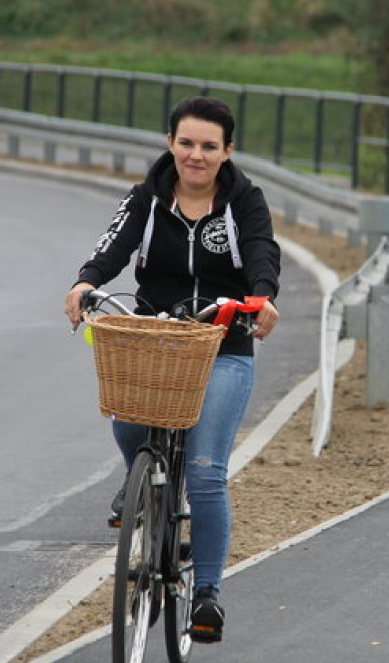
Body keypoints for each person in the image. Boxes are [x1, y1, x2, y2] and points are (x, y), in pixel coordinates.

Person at [63, 96, 281, 643]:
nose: (196, 155)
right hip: (157, 338)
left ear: (227, 151)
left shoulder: (244, 202)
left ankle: (206, 593)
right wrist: (86, 280)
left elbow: (261, 252)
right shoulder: (147, 198)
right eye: (186, 143)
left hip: (223, 342)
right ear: (170, 144)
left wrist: (262, 297)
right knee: (126, 416)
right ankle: (142, 479)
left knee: (206, 471)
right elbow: (113, 246)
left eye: (210, 146)